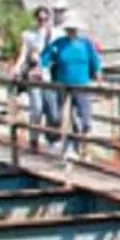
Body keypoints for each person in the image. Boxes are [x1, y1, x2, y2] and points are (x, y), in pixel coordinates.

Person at [40, 14, 103, 159]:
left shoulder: (86, 43)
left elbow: (95, 62)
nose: (71, 31)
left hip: (82, 85)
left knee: (85, 119)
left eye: (74, 28)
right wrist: (40, 70)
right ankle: (68, 148)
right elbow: (44, 59)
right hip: (64, 85)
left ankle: (84, 149)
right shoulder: (58, 43)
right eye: (69, 28)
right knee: (66, 117)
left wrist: (99, 80)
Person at [15, 6, 57, 151]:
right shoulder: (28, 35)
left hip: (49, 76)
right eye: (40, 19)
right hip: (34, 75)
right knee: (37, 108)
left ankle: (51, 140)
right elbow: (23, 54)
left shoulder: (54, 35)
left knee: (52, 111)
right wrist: (17, 67)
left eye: (45, 19)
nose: (43, 21)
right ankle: (34, 140)